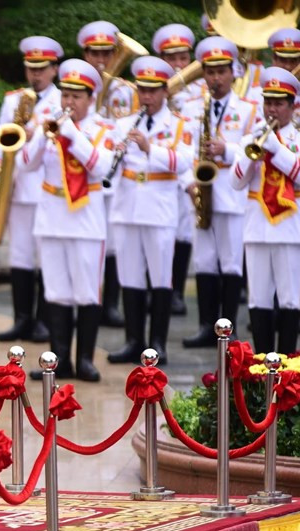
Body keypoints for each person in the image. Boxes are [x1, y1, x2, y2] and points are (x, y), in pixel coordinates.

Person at [18, 59, 115, 381]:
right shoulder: (49, 125)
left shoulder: (103, 128)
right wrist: (38, 136)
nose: (69, 102)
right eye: (66, 95)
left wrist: (72, 135)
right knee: (56, 290)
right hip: (51, 215)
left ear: (90, 98)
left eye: (77, 96)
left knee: (87, 291)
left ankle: (85, 359)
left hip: (86, 218)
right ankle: (58, 359)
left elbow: (100, 168)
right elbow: (27, 164)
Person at [107, 56, 193, 366]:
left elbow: (183, 162)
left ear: (164, 91)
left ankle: (157, 343)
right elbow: (107, 169)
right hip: (127, 207)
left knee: (160, 277)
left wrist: (149, 149)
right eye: (142, 90)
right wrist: (113, 157)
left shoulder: (181, 124)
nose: (146, 97)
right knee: (129, 276)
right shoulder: (122, 123)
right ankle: (133, 341)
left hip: (159, 208)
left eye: (153, 91)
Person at [231, 67, 300, 354]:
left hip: (291, 230)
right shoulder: (250, 139)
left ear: (292, 107)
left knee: (290, 300)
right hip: (257, 228)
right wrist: (253, 155)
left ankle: (287, 368)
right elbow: (235, 182)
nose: (272, 109)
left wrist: (277, 150)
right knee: (258, 301)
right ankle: (260, 366)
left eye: (279, 103)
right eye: (268, 102)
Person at [181, 37, 258, 348]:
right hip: (201, 192)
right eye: (210, 72)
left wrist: (228, 149)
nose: (215, 78)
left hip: (231, 192)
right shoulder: (192, 108)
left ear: (233, 73)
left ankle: (229, 327)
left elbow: (255, 147)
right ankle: (205, 325)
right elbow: (184, 149)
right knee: (204, 262)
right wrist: (188, 182)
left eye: (221, 72)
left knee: (230, 263)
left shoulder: (249, 109)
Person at [0, 36, 63, 345]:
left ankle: (44, 320)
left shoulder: (63, 101)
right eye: (31, 68)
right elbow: (0, 137)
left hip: (48, 188)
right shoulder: (13, 100)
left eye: (42, 68)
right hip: (19, 186)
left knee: (45, 256)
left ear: (54, 68)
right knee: (20, 255)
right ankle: (22, 319)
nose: (35, 74)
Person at [78, 20, 139, 328]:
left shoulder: (128, 92)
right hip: (82, 175)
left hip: (113, 174)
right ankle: (86, 299)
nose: (101, 59)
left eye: (107, 52)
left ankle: (110, 304)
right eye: (94, 53)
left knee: (111, 243)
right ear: (85, 54)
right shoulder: (76, 88)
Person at [153, 23, 200, 316]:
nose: (179, 64)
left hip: (190, 174)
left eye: (183, 57)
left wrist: (189, 180)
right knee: (157, 237)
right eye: (172, 58)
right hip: (161, 174)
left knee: (183, 234)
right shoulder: (152, 94)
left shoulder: (200, 96)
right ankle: (156, 291)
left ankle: (177, 293)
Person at [246, 28, 300, 131]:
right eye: (283, 60)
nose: (288, 66)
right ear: (274, 60)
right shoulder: (255, 92)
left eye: (293, 61)